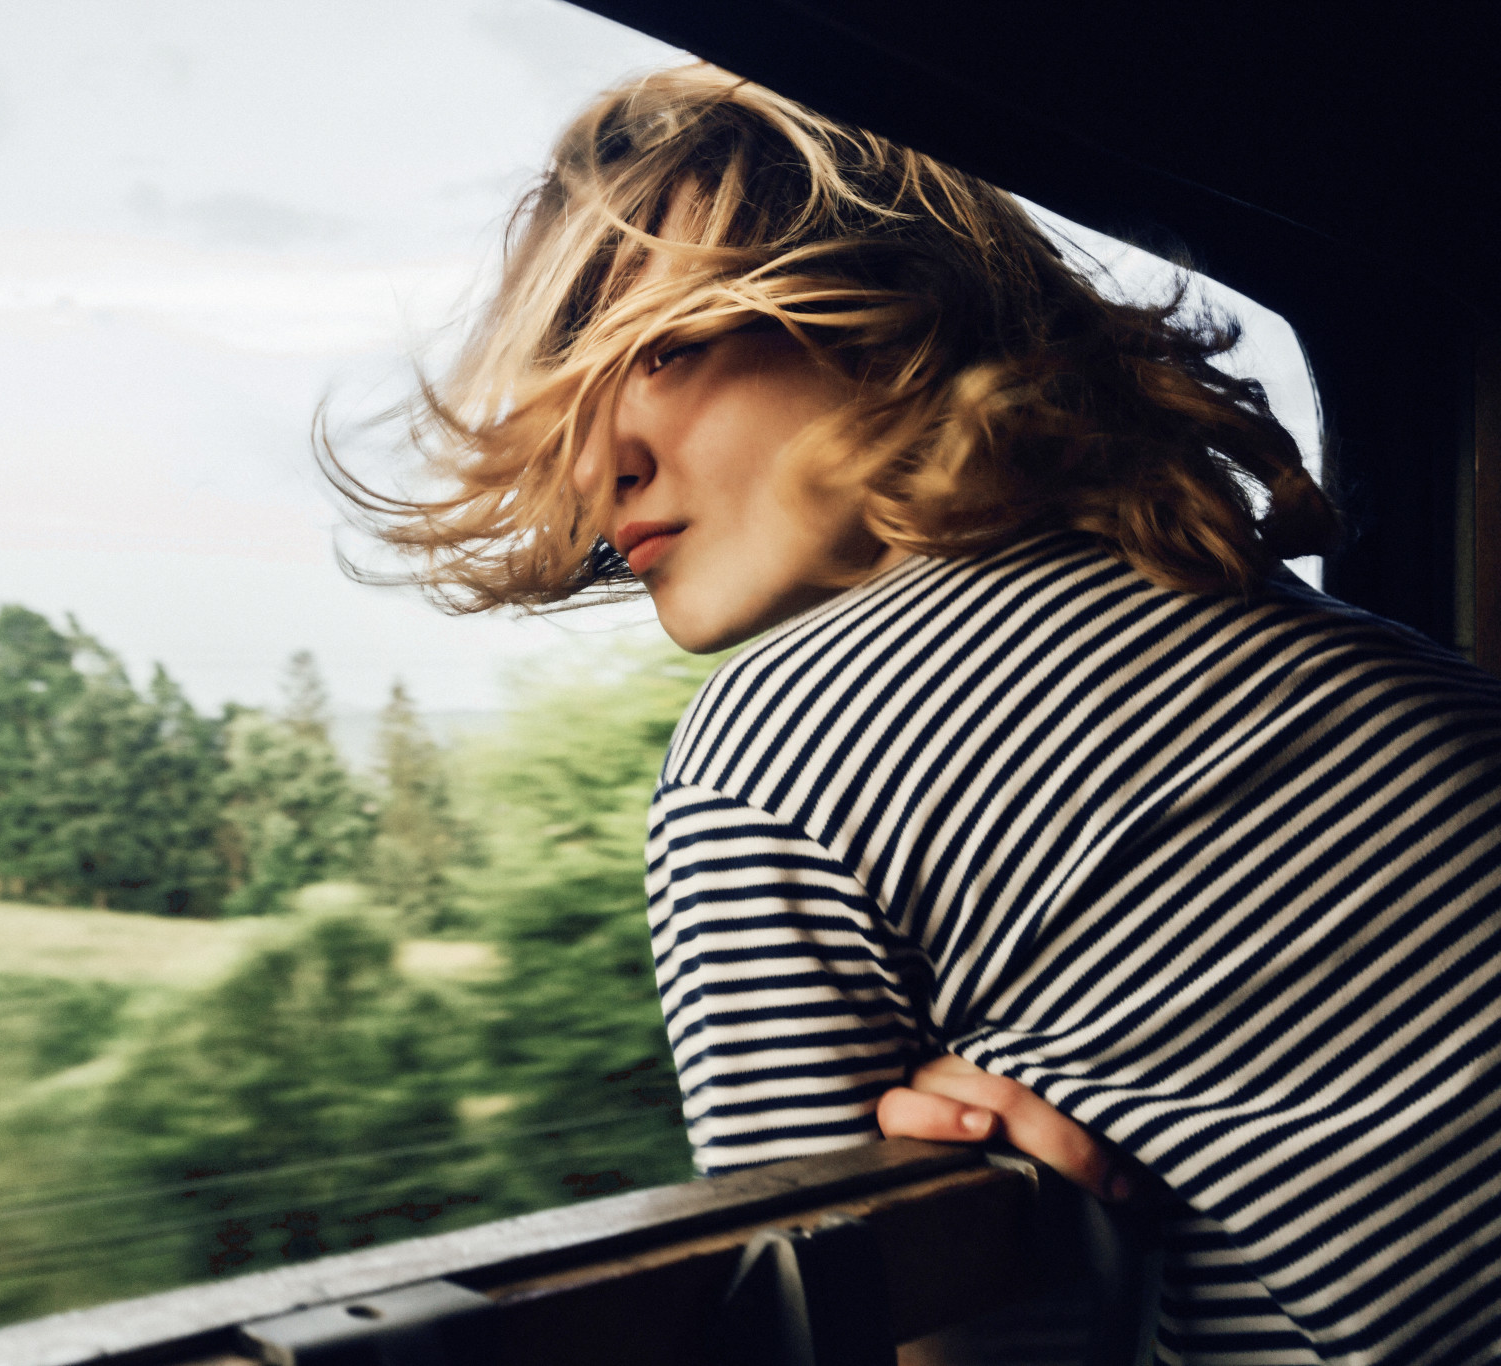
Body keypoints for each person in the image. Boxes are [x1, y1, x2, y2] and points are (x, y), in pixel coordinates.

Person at [326, 64, 1501, 1366]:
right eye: (571, 399)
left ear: (889, 325)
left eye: (666, 350)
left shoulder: (766, 758)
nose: (601, 465)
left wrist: (993, 1263)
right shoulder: (1319, 641)